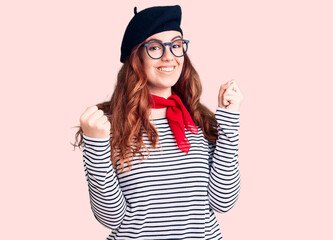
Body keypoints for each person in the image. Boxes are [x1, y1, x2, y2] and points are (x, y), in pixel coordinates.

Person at [73, 5, 244, 240]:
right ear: (137, 58)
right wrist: (95, 144)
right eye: (155, 47)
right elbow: (110, 218)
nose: (169, 56)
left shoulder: (200, 122)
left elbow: (222, 201)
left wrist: (229, 120)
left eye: (176, 45)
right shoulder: (107, 126)